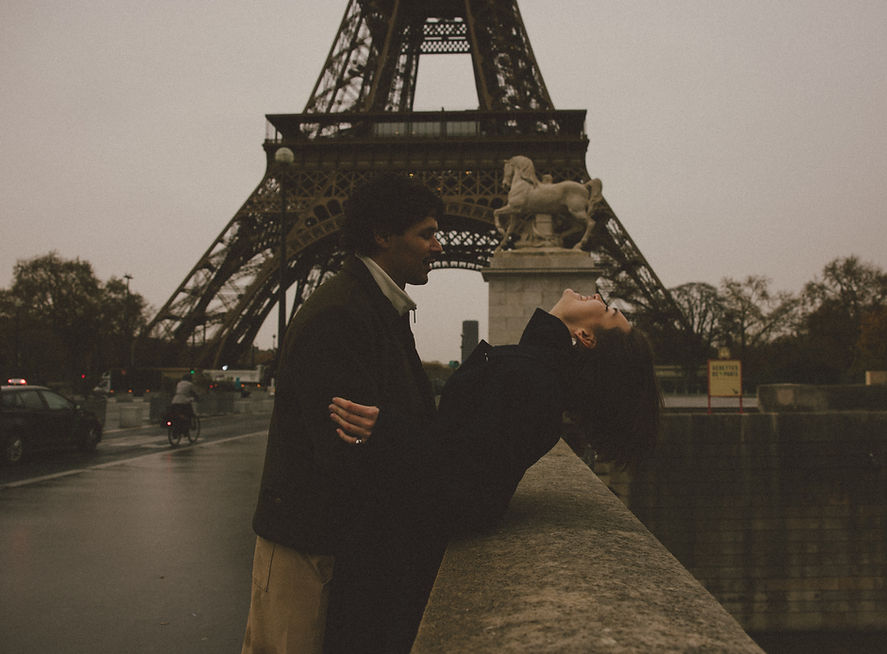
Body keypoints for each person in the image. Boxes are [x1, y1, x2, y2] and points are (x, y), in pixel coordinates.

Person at [329, 288, 663, 631]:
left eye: (606, 307)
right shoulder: (535, 372)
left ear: (585, 336)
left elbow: (462, 479)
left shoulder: (532, 380)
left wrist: (389, 430)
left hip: (394, 559)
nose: (596, 294)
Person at [241, 173, 444, 654]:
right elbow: (347, 451)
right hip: (315, 553)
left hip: (337, 547)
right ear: (382, 234)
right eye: (426, 233)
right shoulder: (343, 314)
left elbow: (380, 432)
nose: (437, 246)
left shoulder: (373, 306)